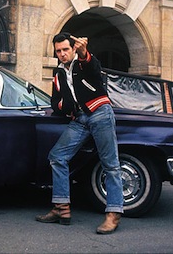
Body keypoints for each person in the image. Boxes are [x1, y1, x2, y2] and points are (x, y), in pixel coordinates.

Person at [35, 32, 123, 234]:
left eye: (66, 49)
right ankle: (62, 208)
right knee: (57, 157)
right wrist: (67, 107)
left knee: (111, 164)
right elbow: (55, 103)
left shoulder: (83, 63)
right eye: (58, 51)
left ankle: (114, 213)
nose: (62, 54)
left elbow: (93, 66)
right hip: (79, 119)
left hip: (100, 113)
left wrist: (84, 52)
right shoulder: (58, 74)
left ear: (73, 49)